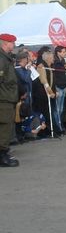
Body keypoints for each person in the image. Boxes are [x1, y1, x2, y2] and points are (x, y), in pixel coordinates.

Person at [0, 33, 20, 167]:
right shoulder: (2, 59)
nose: (14, 45)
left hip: (7, 97)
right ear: (5, 43)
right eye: (12, 43)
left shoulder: (6, 58)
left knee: (6, 126)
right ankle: (2, 155)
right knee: (5, 127)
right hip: (4, 99)